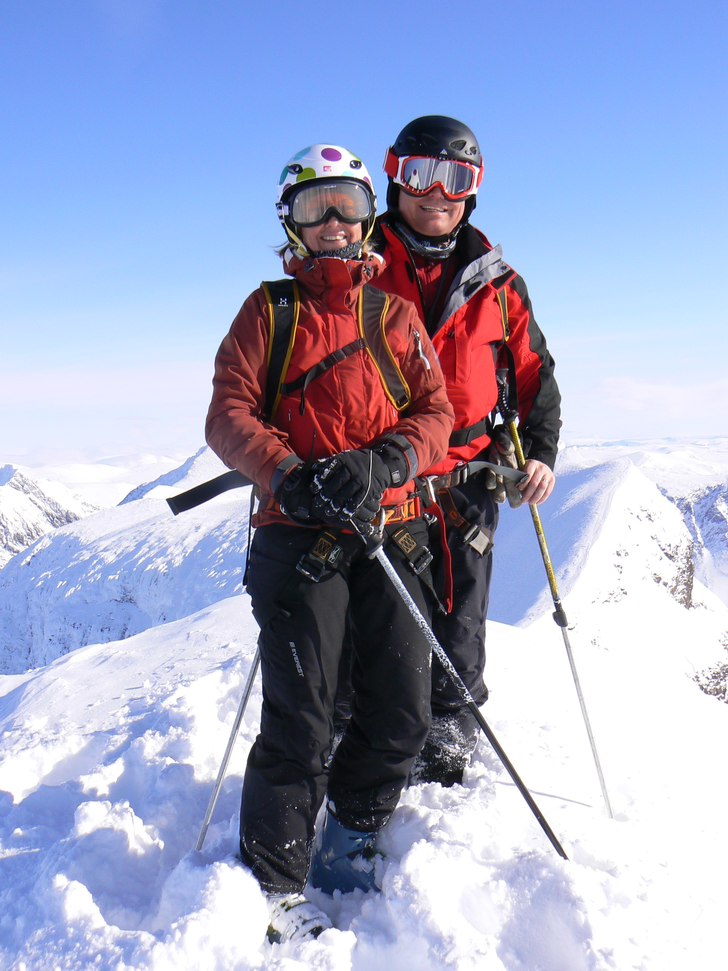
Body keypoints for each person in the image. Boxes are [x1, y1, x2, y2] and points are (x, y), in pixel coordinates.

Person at [205, 144, 453, 943]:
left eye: (349, 204)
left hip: (389, 528)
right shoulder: (268, 313)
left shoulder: (394, 315)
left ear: (369, 216)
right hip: (299, 537)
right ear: (292, 221)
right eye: (318, 207)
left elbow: (436, 410)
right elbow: (229, 413)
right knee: (303, 717)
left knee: (403, 708)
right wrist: (288, 475)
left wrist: (386, 461)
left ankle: (350, 833)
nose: (336, 222)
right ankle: (275, 880)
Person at [368, 115, 562, 786]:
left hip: (468, 481)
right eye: (420, 174)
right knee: (380, 622)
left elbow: (535, 375)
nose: (437, 193)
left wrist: (541, 451)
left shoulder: (498, 284)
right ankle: (363, 739)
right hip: (383, 478)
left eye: (455, 178)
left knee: (462, 618)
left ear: (473, 189)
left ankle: (450, 735)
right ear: (395, 177)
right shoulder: (358, 268)